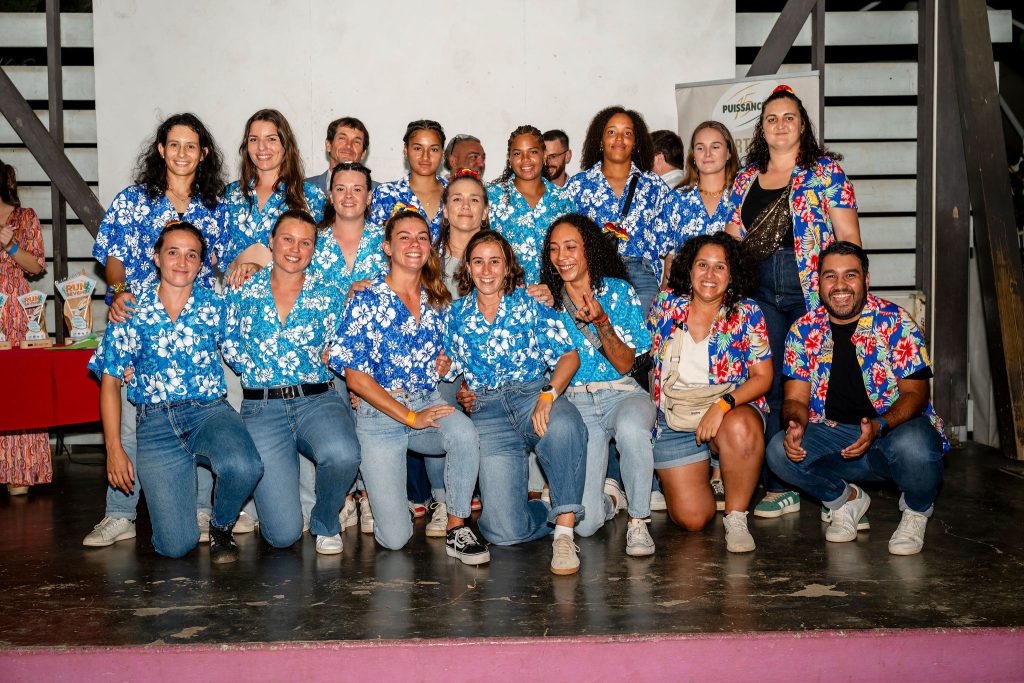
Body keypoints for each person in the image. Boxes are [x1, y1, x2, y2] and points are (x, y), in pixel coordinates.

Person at [84, 113, 227, 547]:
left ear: (203, 154)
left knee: (201, 415)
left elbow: (223, 261)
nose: (182, 153)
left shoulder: (215, 205)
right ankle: (120, 513)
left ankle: (201, 510)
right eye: (174, 144)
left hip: (196, 328)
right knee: (131, 422)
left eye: (191, 146)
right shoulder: (133, 200)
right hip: (142, 325)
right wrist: (120, 292)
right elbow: (113, 259)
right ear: (161, 150)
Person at [88, 222, 264, 563]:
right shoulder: (130, 309)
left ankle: (221, 526)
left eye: (191, 255)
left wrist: (258, 279)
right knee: (175, 546)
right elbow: (109, 381)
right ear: (156, 258)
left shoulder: (215, 305)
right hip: (155, 424)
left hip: (209, 412)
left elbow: (244, 358)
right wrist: (114, 449)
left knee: (245, 466)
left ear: (200, 264)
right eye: (173, 252)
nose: (182, 262)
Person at [726, 84, 861, 519]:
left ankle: (823, 480)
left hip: (811, 289)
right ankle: (777, 484)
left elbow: (848, 238)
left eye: (789, 118)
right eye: (771, 119)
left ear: (803, 125)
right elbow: (733, 239)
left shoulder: (826, 173)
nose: (780, 125)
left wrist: (846, 289)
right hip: (759, 290)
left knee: (811, 381)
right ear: (761, 129)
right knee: (766, 382)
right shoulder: (745, 178)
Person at [765, 242, 947, 555]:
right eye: (830, 276)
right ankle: (845, 499)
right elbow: (795, 399)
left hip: (890, 432)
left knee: (915, 445)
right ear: (819, 283)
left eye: (850, 275)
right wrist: (794, 424)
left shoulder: (895, 321)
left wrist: (879, 426)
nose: (840, 285)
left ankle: (916, 512)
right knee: (778, 451)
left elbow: (916, 394)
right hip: (834, 435)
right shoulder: (803, 330)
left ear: (866, 280)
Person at [328, 210, 488, 565]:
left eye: (421, 237)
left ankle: (457, 527)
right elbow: (355, 378)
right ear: (387, 247)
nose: (414, 244)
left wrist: (446, 364)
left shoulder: (438, 299)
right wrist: (411, 417)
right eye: (404, 237)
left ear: (430, 247)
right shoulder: (366, 297)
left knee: (464, 434)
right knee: (395, 539)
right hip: (381, 416)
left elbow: (449, 359)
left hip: (426, 401)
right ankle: (381, 498)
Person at [446, 231, 587, 575]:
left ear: (508, 266)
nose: (487, 270)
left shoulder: (529, 302)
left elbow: (569, 356)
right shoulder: (455, 315)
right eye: (478, 261)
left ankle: (564, 534)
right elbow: (450, 368)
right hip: (488, 413)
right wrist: (459, 384)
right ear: (468, 267)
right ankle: (546, 511)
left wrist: (548, 394)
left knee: (564, 425)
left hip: (532, 396)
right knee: (503, 533)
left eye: (495, 261)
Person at [222, 210, 361, 555]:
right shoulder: (243, 288)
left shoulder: (330, 293)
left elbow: (345, 344)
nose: (295, 249)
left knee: (344, 453)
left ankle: (326, 520)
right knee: (282, 536)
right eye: (287, 239)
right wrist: (256, 368)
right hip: (262, 406)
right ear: (271, 241)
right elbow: (227, 338)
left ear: (314, 248)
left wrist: (334, 356)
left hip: (316, 399)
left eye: (305, 242)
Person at [540, 213, 657, 557]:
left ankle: (639, 520)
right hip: (578, 403)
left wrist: (602, 321)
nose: (562, 256)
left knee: (632, 429)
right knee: (586, 525)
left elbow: (625, 364)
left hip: (623, 394)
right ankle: (610, 499)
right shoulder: (548, 302)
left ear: (589, 250)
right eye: (554, 249)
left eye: (570, 247)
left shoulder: (618, 291)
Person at [647, 233, 771, 552]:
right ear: (689, 269)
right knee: (693, 519)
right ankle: (704, 470)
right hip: (674, 417)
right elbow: (642, 357)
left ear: (732, 274)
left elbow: (763, 377)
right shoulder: (666, 305)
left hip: (727, 410)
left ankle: (736, 516)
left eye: (720, 267)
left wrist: (723, 405)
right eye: (702, 265)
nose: (710, 274)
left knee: (741, 427)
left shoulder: (747, 311)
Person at [676, 121, 741, 508]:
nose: (708, 154)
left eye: (716, 146)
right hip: (689, 304)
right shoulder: (679, 199)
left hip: (733, 304)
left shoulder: (743, 194)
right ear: (692, 155)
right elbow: (670, 256)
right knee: (689, 377)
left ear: (729, 151)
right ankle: (691, 464)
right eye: (700, 147)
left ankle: (722, 470)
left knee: (726, 375)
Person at [564, 106, 688, 311]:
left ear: (635, 142)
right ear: (600, 140)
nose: (619, 139)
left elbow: (671, 238)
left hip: (642, 277)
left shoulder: (653, 185)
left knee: (640, 333)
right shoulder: (578, 185)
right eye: (611, 132)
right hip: (594, 276)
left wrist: (667, 284)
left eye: (627, 133)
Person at [224, 109, 326, 284]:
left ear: (286, 144)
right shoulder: (230, 194)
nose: (262, 147)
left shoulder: (310, 196)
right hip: (234, 292)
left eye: (271, 139)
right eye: (254, 139)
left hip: (284, 292)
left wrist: (261, 270)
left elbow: (322, 254)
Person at [0, 159, 48, 496]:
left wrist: (11, 246)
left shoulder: (24, 217)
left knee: (19, 388)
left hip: (16, 312)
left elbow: (37, 266)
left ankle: (20, 469)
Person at [488, 125, 575, 285]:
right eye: (517, 153)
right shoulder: (492, 196)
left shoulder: (563, 200)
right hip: (505, 292)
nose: (525, 159)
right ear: (509, 158)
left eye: (533, 152)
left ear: (544, 155)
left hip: (553, 294)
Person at [370, 120, 447, 240]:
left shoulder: (455, 194)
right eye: (417, 148)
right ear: (406, 150)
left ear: (442, 153)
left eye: (434, 149)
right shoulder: (386, 194)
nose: (425, 156)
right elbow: (375, 242)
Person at [304, 117, 374, 194]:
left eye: (356, 142)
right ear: (328, 145)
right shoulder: (301, 190)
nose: (349, 145)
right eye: (342, 138)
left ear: (363, 153)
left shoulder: (378, 193)